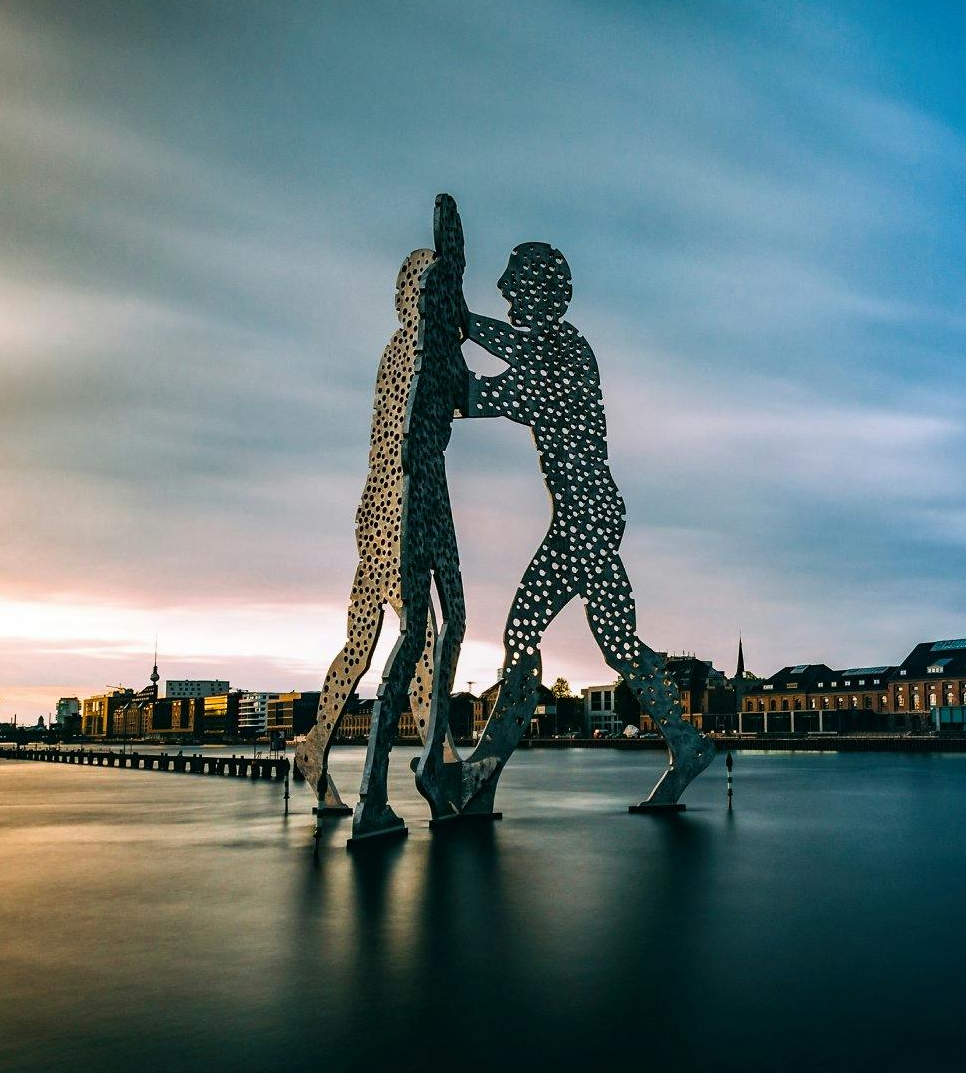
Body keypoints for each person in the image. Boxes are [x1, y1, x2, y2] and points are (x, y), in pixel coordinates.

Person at [423, 241, 714, 817]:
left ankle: (482, 776)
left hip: (585, 518)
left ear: (540, 293)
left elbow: (483, 394)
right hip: (589, 514)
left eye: (513, 283)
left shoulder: (563, 357)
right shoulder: (556, 350)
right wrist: (458, 323)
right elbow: (506, 359)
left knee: (523, 634)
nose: (504, 291)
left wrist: (450, 329)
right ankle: (687, 744)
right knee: (619, 644)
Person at [294, 196, 469, 842]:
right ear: (411, 299)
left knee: (408, 634)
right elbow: (398, 442)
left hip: (423, 499)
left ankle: (427, 759)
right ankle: (383, 781)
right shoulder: (406, 354)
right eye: (427, 292)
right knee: (395, 635)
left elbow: (464, 401)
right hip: (395, 504)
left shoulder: (431, 352)